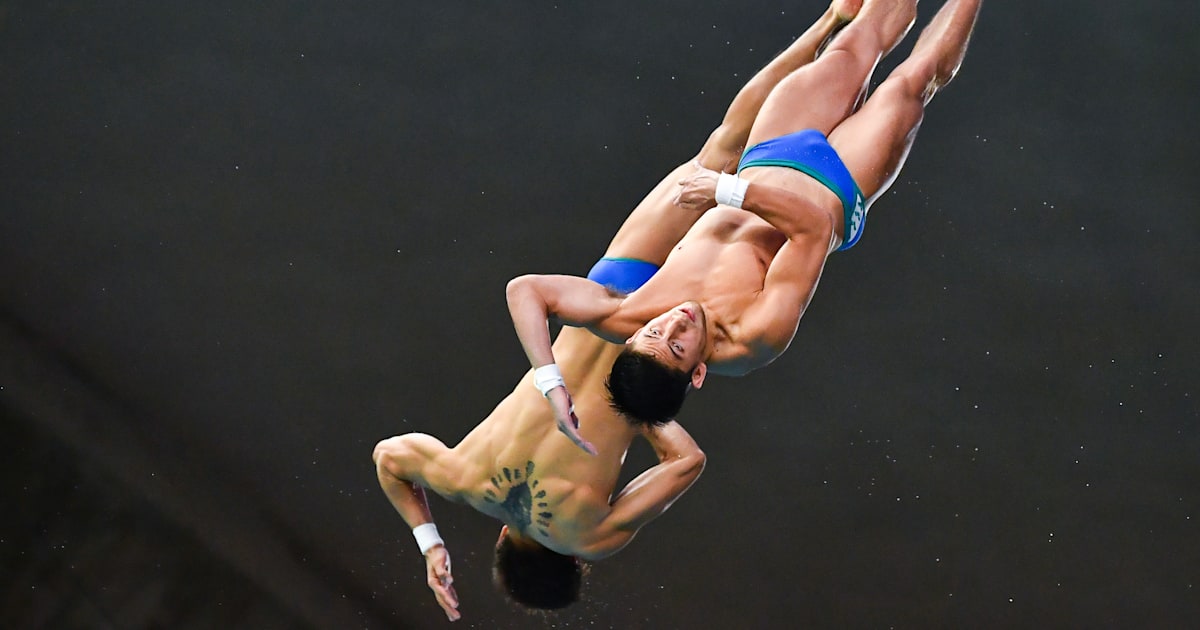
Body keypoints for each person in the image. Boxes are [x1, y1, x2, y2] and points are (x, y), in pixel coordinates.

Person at [373, 2, 861, 621]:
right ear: (500, 540)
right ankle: (830, 24)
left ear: (571, 563)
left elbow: (688, 462)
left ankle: (850, 70)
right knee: (720, 150)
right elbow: (389, 457)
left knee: (741, 169)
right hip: (613, 297)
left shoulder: (592, 537)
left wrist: (645, 402)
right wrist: (429, 542)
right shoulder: (463, 479)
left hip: (656, 327)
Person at [506, 0, 981, 431]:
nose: (674, 322)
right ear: (698, 373)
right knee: (912, 81)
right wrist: (726, 190)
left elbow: (525, 290)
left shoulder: (623, 314)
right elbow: (815, 230)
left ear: (632, 339)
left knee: (858, 39)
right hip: (838, 184)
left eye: (654, 333)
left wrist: (550, 381)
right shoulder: (754, 337)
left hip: (771, 151)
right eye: (678, 345)